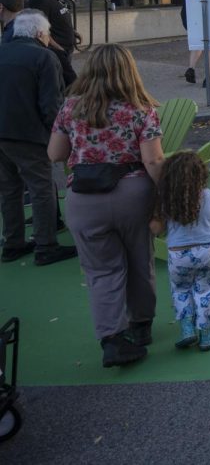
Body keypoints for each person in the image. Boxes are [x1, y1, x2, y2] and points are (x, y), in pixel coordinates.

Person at [48, 43, 163, 367]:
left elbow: (55, 154)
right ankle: (141, 326)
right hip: (132, 194)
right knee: (140, 260)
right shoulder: (141, 108)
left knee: (101, 271)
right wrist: (166, 194)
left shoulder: (71, 108)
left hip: (84, 199)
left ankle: (113, 339)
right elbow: (153, 160)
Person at [0, 10, 74, 266]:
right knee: (42, 188)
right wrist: (59, 136)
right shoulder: (44, 57)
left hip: (3, 132)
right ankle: (46, 245)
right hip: (29, 134)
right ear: (40, 33)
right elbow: (51, 104)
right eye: (48, 33)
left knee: (9, 190)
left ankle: (13, 243)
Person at [154, 151, 210, 351]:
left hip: (178, 253)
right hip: (207, 250)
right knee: (206, 290)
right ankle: (206, 333)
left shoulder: (167, 200)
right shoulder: (208, 196)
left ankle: (187, 330)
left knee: (181, 290)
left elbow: (158, 228)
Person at [28, 0, 79, 86]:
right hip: (56, 50)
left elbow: (58, 19)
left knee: (66, 81)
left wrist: (74, 32)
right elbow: (40, 28)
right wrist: (57, 47)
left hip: (66, 48)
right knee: (67, 82)